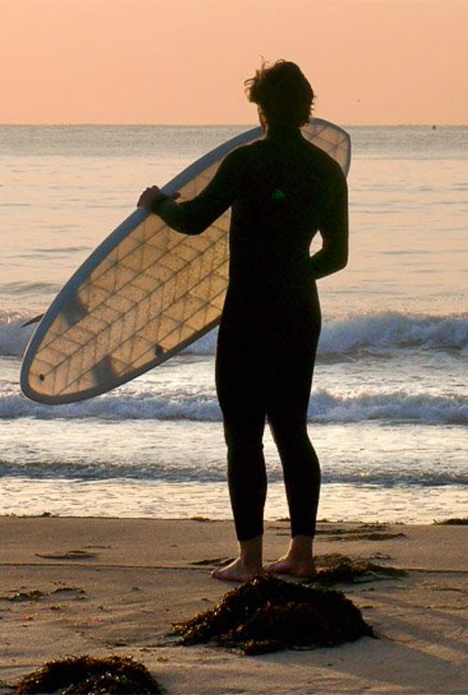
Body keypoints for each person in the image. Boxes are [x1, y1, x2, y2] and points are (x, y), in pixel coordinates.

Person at [137, 60, 348, 582]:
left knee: (244, 435)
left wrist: (158, 204)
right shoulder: (326, 169)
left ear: (261, 109)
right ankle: (301, 554)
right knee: (292, 431)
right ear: (307, 109)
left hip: (249, 312)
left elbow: (193, 221)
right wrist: (293, 274)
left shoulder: (246, 161)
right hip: (298, 311)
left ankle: (250, 560)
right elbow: (337, 256)